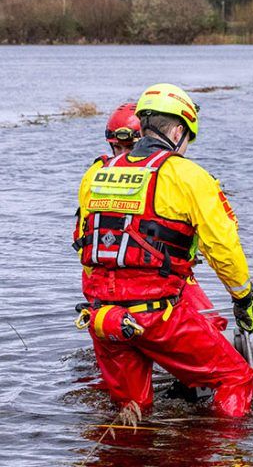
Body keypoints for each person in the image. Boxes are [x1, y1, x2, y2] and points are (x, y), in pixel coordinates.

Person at [73, 84, 253, 417]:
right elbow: (223, 247)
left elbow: (84, 243)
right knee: (236, 377)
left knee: (133, 408)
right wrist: (243, 298)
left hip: (102, 319)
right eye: (186, 138)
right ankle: (230, 453)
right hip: (155, 316)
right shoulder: (187, 175)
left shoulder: (97, 174)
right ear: (178, 131)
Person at [80, 103, 226, 331]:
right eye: (118, 148)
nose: (126, 155)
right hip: (113, 279)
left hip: (166, 272)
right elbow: (85, 237)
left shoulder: (179, 175)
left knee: (212, 325)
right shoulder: (97, 175)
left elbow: (219, 239)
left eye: (131, 147)